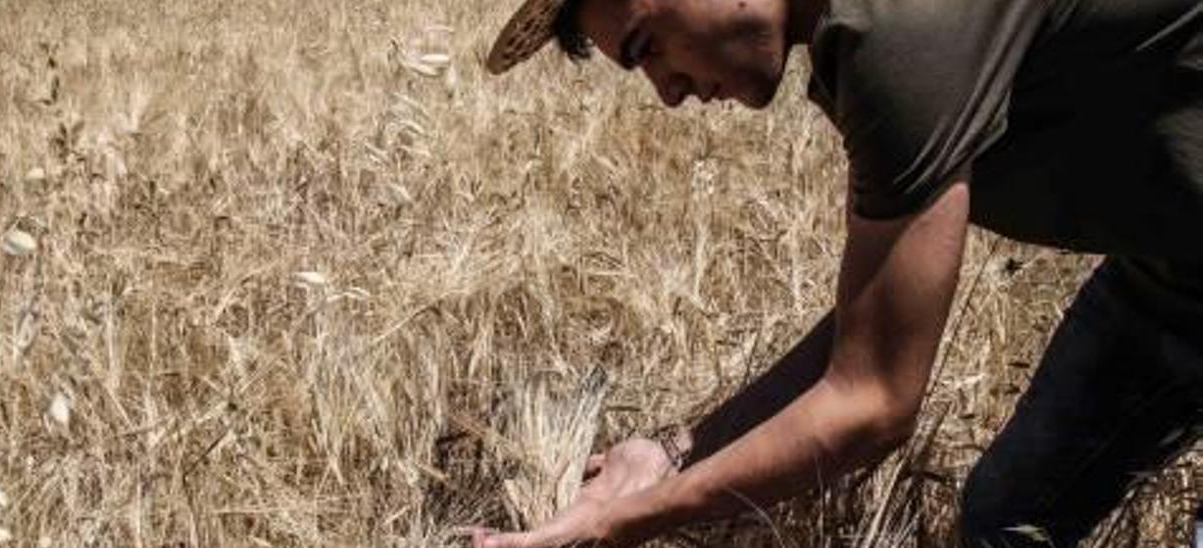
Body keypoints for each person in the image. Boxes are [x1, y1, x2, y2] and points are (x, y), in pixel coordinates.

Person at [469, 0, 1203, 545]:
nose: (666, 90)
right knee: (1005, 524)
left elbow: (872, 402)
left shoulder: (894, 35)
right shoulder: (853, 36)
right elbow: (874, 325)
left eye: (648, 45)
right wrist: (672, 454)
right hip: (1177, 280)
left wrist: (625, 522)